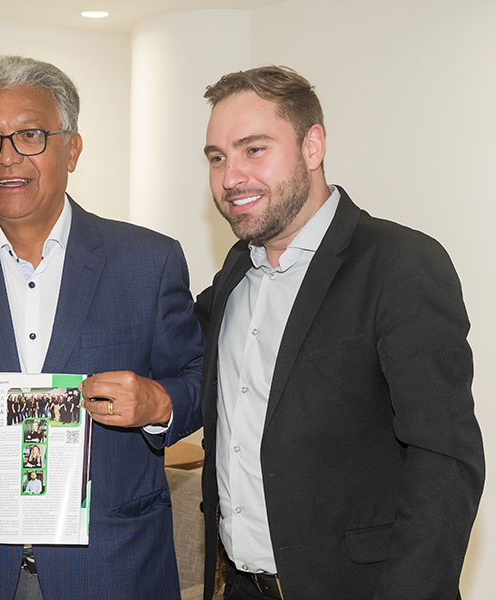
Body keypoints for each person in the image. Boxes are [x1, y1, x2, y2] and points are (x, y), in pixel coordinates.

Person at [0, 55, 204, 600]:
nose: (7, 157)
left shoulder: (147, 262)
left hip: (116, 571)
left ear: (72, 149)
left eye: (30, 136)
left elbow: (201, 380)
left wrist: (160, 404)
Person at [195, 66, 484, 600]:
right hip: (240, 586)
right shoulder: (236, 272)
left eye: (253, 149)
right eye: (217, 157)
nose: (231, 177)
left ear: (312, 146)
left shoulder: (399, 263)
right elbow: (190, 367)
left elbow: (445, 460)